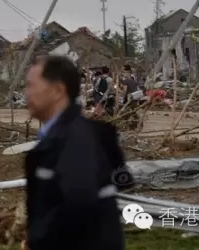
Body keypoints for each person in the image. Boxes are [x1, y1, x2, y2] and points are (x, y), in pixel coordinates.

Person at [23, 55, 124, 250]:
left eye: (31, 86)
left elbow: (80, 203)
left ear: (57, 91)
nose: (26, 94)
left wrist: (42, 240)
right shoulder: (58, 137)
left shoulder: (77, 139)